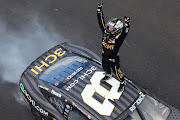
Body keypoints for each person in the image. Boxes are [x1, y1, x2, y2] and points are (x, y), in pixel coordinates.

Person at [97, 2, 130, 92]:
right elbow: (101, 21)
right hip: (104, 55)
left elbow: (125, 32)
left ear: (117, 30)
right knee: (104, 66)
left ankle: (123, 82)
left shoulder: (118, 39)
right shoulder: (105, 33)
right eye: (109, 27)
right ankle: (108, 75)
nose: (109, 29)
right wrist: (99, 11)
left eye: (112, 28)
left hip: (113, 59)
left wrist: (127, 24)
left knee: (117, 72)